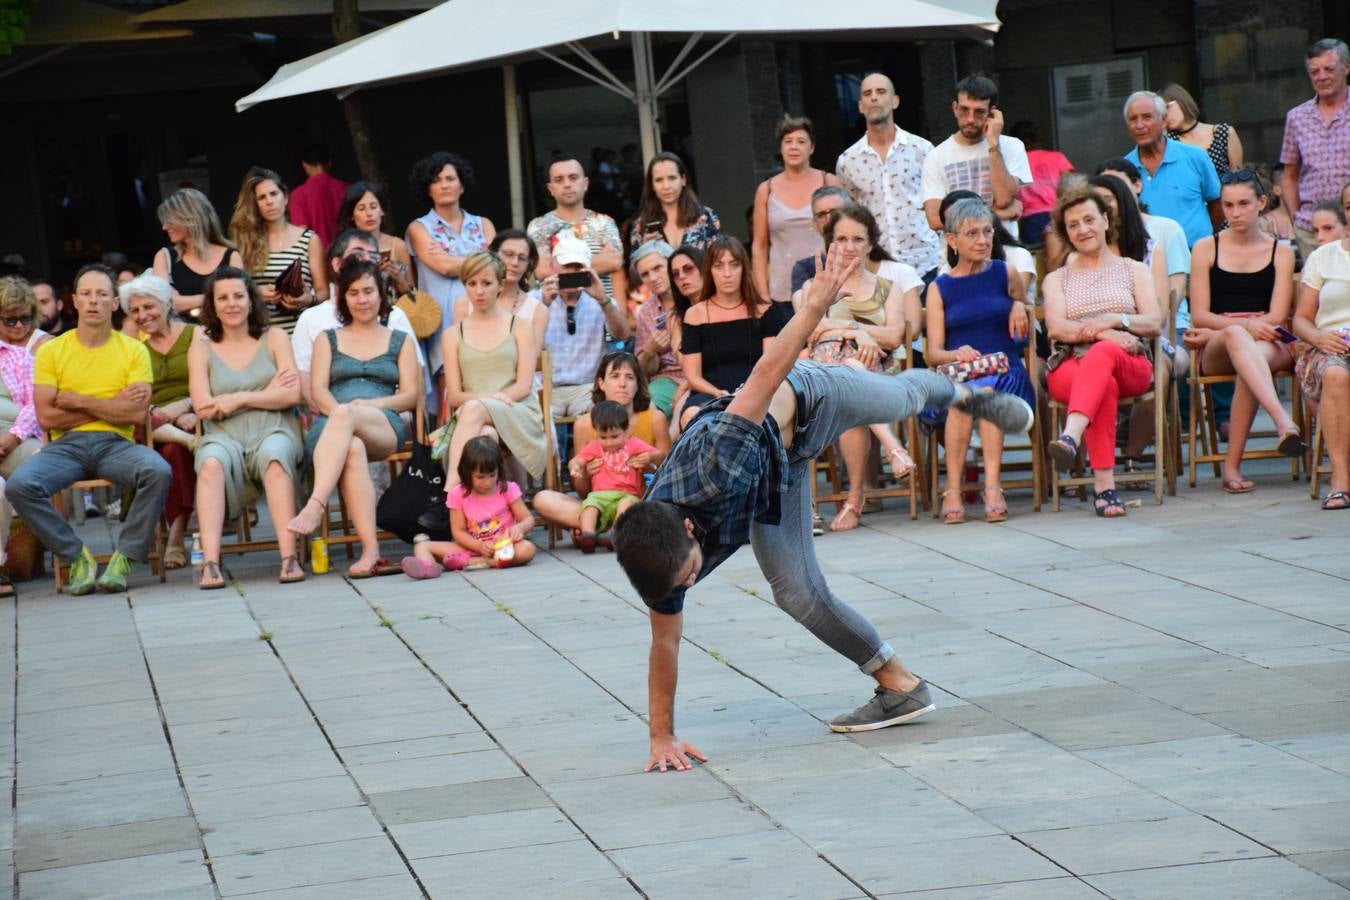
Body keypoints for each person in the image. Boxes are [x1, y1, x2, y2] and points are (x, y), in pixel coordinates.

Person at [611, 244, 1035, 770]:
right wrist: (661, 737)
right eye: (681, 583)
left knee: (901, 399)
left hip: (811, 397)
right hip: (777, 471)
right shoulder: (654, 557)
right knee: (796, 594)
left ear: (691, 529)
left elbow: (767, 371)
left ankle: (961, 395)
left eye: (690, 573)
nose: (690, 585)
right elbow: (665, 644)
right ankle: (899, 684)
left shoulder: (715, 456)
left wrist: (816, 305)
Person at [7, 265, 171, 594]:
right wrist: (112, 404)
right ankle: (76, 556)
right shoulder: (52, 350)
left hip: (117, 444)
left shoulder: (134, 349)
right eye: (86, 294)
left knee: (158, 470)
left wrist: (77, 400)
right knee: (20, 485)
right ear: (74, 302)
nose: (93, 301)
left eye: (101, 294)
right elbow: (48, 417)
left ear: (114, 303)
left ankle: (124, 557)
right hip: (65, 446)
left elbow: (137, 414)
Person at [286, 259, 418, 575]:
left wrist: (367, 408)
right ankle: (371, 551)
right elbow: (317, 391)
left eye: (368, 291)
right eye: (354, 292)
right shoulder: (327, 338)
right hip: (331, 427)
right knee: (352, 449)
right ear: (343, 298)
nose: (362, 299)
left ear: (381, 295)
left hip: (382, 423)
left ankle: (316, 504)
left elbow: (410, 396)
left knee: (350, 421)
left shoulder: (399, 340)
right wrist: (343, 417)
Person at [1042, 187, 1164, 517]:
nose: (1083, 230)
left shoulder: (1133, 269)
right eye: (1073, 225)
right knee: (1102, 381)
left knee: (1102, 357)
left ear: (1106, 221)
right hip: (1070, 364)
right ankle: (1105, 488)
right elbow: (1057, 328)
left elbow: (1154, 321)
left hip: (1131, 362)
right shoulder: (1057, 279)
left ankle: (1070, 435)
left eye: (1089, 220)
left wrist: (1118, 319)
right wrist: (1108, 331)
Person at [798, 205, 921, 530]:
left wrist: (842, 327)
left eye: (857, 239)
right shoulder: (816, 288)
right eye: (841, 239)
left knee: (852, 381)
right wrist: (859, 331)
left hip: (875, 373)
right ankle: (892, 449)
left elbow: (895, 335)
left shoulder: (887, 288)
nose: (849, 246)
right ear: (830, 243)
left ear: (870, 243)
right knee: (849, 383)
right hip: (823, 374)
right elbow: (811, 331)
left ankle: (854, 499)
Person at [1184, 171, 1303, 493]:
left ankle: (1232, 467)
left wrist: (1238, 329)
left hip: (1268, 339)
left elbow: (1278, 315)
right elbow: (1199, 313)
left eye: (1244, 204)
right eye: (1228, 205)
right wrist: (1247, 325)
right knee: (1239, 340)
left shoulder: (1281, 250)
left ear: (1262, 203)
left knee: (1250, 361)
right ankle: (1283, 421)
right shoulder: (1206, 248)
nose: (1235, 213)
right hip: (1224, 342)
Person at [189, 267, 305, 589]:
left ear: (251, 301)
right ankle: (211, 563)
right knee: (211, 463)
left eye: (239, 296)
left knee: (274, 456)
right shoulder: (201, 348)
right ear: (212, 305)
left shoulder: (275, 338)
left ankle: (288, 556)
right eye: (223, 298)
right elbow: (203, 406)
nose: (232, 304)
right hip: (222, 434)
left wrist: (238, 398)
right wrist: (268, 391)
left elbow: (292, 394)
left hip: (274, 429)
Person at [926, 199, 1034, 524]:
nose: (983, 240)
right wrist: (955, 354)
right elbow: (933, 353)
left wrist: (1019, 306)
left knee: (983, 393)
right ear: (952, 240)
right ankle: (954, 489)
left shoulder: (1005, 272)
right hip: (961, 373)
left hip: (1006, 370)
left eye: (987, 231)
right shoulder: (939, 287)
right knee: (968, 395)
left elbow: (1025, 324)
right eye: (972, 233)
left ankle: (992, 488)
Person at [532, 351, 670, 541]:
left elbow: (669, 471)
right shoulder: (584, 424)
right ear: (601, 383)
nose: (622, 384)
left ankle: (598, 530)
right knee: (543, 499)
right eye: (615, 376)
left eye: (630, 377)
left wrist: (650, 464)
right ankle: (602, 529)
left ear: (638, 384)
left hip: (639, 504)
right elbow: (582, 490)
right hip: (600, 501)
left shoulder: (655, 418)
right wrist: (584, 473)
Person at [442, 251, 546, 491]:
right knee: (485, 434)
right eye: (472, 283)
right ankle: (494, 510)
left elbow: (523, 386)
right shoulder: (452, 335)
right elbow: (455, 396)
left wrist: (489, 402)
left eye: (486, 283)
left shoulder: (520, 327)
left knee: (474, 409)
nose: (479, 291)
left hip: (517, 409)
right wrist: (489, 400)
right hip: (472, 416)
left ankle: (450, 493)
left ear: (500, 285)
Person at [290, 229, 425, 408]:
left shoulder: (395, 316)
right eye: (357, 255)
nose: (365, 261)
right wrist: (340, 416)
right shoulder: (311, 319)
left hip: (384, 417)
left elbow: (414, 382)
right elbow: (307, 385)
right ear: (336, 264)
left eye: (373, 256)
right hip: (330, 418)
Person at [122, 272, 197, 570]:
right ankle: (186, 440)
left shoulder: (196, 335)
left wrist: (188, 406)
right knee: (138, 418)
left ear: (167, 304)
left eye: (148, 307)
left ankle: (176, 538)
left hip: (192, 415)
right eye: (135, 310)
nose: (142, 315)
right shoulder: (131, 348)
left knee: (171, 454)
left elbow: (213, 381)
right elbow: (131, 396)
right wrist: (161, 413)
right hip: (149, 422)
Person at [678, 236, 793, 430]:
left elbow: (770, 365)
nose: (727, 273)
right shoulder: (695, 314)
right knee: (691, 415)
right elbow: (692, 375)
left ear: (744, 269)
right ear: (709, 271)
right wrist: (717, 393)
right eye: (719, 266)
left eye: (734, 265)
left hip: (755, 391)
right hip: (710, 394)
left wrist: (748, 393)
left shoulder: (764, 311)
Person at [835, 73, 941, 277]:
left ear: (895, 101)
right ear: (860, 105)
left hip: (926, 263)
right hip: (877, 267)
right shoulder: (847, 161)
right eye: (867, 93)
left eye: (881, 92)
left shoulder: (923, 149)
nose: (874, 97)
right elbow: (852, 214)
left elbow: (940, 204)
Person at [405, 151, 495, 377]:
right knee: (448, 379)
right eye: (436, 181)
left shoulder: (484, 224)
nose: (444, 185)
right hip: (442, 319)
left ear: (462, 186)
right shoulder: (418, 228)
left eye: (450, 179)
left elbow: (497, 265)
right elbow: (443, 266)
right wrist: (479, 257)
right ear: (428, 189)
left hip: (485, 312)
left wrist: (451, 256)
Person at [401, 436, 535, 577]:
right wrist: (479, 546)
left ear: (499, 470)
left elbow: (528, 519)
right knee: (422, 546)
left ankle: (481, 562)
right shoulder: (458, 494)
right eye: (480, 477)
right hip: (469, 546)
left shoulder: (507, 489)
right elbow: (458, 532)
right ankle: (428, 569)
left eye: (492, 475)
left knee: (527, 549)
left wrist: (520, 528)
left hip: (502, 547)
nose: (488, 482)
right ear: (467, 472)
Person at [922, 75, 1033, 239]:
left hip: (1005, 250)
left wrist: (994, 144)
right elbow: (935, 219)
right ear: (954, 108)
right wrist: (997, 213)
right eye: (964, 109)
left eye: (979, 112)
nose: (970, 119)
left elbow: (1003, 199)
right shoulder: (936, 156)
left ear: (992, 113)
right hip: (958, 258)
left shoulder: (1011, 146)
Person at [540, 235, 631, 419]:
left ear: (589, 269)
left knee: (599, 417)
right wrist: (543, 307)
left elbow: (623, 335)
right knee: (533, 420)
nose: (572, 272)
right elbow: (522, 345)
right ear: (552, 267)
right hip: (546, 387)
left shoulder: (600, 300)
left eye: (578, 267)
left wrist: (603, 300)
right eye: (567, 266)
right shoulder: (536, 300)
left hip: (588, 388)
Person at [752, 116, 841, 302]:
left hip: (828, 286)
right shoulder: (766, 190)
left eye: (801, 141)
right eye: (788, 142)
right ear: (781, 148)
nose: (794, 147)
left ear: (812, 148)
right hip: (782, 291)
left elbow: (846, 232)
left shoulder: (829, 182)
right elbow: (759, 246)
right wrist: (762, 293)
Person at [1292, 224, 1350, 509]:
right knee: (1335, 373)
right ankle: (1340, 478)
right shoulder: (1324, 257)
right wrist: (1319, 337)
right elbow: (1301, 318)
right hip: (1331, 345)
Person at [228, 166, 326, 333]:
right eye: (262, 197)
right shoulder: (244, 242)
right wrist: (256, 292)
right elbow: (232, 288)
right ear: (255, 204)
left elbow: (324, 292)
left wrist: (309, 299)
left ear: (285, 197)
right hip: (261, 333)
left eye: (274, 194)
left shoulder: (309, 239)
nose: (269, 201)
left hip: (302, 333)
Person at [1280, 39, 1350, 261]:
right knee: (1317, 293)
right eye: (1314, 71)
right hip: (1312, 229)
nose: (1321, 76)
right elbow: (1289, 175)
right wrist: (1296, 218)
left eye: (1329, 69)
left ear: (1346, 67)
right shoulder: (1297, 117)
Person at [1123, 91, 1222, 248]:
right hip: (1151, 261)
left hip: (1198, 258)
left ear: (1163, 121)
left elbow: (1216, 204)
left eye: (1147, 117)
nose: (1139, 125)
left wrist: (1203, 242)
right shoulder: (1124, 169)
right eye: (1133, 119)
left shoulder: (1195, 157)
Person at [564, 400, 660, 552]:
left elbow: (659, 454)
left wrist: (648, 458)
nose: (608, 442)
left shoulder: (633, 444)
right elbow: (577, 460)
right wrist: (574, 467)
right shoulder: (594, 447)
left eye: (614, 437)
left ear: (626, 431)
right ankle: (588, 535)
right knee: (589, 506)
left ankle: (614, 534)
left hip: (627, 494)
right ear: (596, 432)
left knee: (625, 505)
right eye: (603, 437)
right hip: (599, 495)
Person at [0, 279, 45, 597]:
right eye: (9, 319)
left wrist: (13, 437)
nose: (18, 325)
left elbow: (36, 405)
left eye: (25, 318)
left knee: (44, 460)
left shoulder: (22, 358)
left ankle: (55, 548)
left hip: (16, 439)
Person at [526, 157, 623, 301]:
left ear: (585, 184)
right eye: (559, 180)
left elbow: (614, 262)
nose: (567, 184)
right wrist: (597, 263)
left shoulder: (605, 222)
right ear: (550, 189)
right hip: (555, 316)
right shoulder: (539, 226)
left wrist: (560, 266)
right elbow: (542, 270)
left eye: (573, 178)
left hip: (602, 314)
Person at [450, 230, 548, 352]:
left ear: (528, 264)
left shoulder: (537, 310)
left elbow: (534, 357)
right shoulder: (465, 302)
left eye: (522, 258)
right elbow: (460, 352)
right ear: (493, 254)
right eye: (508, 254)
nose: (514, 263)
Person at [152, 188, 242, 316]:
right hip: (184, 334)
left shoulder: (231, 255)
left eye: (169, 221)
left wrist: (185, 302)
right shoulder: (165, 256)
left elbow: (238, 301)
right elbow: (164, 303)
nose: (164, 227)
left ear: (190, 219)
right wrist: (217, 297)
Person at [628, 152, 720, 253]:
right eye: (659, 180)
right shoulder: (640, 225)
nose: (666, 186)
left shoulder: (705, 216)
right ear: (652, 186)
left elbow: (717, 260)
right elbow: (635, 267)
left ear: (683, 180)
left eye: (672, 178)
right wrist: (644, 251)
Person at [631, 241, 684, 416]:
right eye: (645, 274)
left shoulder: (694, 294)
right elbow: (645, 371)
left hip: (705, 373)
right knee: (646, 409)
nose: (652, 278)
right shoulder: (646, 311)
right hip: (667, 379)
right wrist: (650, 351)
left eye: (657, 268)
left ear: (672, 263)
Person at [335, 180, 414, 296]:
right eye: (361, 208)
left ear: (382, 210)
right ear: (351, 215)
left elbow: (412, 295)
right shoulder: (344, 247)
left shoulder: (397, 245)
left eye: (373, 207)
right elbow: (338, 294)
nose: (369, 213)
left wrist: (398, 278)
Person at [1009, 120, 1072, 249]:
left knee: (1037, 259)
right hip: (1057, 215)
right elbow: (1069, 188)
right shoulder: (1057, 157)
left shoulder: (1014, 165)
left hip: (1029, 220)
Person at [1160, 83, 1244, 175]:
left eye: (1167, 107)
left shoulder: (1223, 132)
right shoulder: (1169, 141)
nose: (1166, 115)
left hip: (1222, 188)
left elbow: (1238, 179)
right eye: (1161, 113)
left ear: (1181, 101)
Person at [287, 143, 348, 250]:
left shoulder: (298, 195)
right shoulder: (346, 188)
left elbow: (302, 232)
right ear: (329, 163)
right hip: (348, 254)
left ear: (304, 164)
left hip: (319, 258)